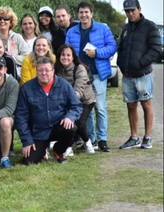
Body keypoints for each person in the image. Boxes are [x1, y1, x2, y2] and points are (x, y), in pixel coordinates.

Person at [66, 1, 117, 152]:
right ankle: (91, 139)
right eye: (81, 12)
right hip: (81, 76)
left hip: (98, 73)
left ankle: (102, 139)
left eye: (86, 12)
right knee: (86, 110)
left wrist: (97, 53)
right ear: (78, 15)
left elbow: (113, 46)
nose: (84, 15)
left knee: (100, 108)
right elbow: (67, 52)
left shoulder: (103, 28)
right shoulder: (72, 32)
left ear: (91, 13)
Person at [15, 57, 82, 165]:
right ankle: (41, 151)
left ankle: (59, 150)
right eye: (40, 70)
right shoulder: (26, 89)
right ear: (36, 71)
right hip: (39, 132)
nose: (44, 73)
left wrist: (70, 117)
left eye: (47, 70)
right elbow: (20, 116)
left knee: (70, 127)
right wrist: (27, 140)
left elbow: (77, 106)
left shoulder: (64, 85)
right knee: (29, 161)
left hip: (59, 126)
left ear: (53, 71)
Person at [117, 0, 161, 149]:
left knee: (146, 104)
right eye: (127, 11)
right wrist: (121, 64)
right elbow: (121, 48)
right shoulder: (125, 28)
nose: (130, 14)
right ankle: (134, 137)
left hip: (143, 74)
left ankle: (147, 137)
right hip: (128, 76)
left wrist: (141, 63)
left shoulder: (150, 26)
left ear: (139, 9)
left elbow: (156, 48)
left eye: (132, 10)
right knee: (130, 106)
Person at [54, 44, 95, 156]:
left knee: (79, 122)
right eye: (63, 55)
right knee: (67, 123)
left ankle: (88, 142)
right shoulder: (56, 69)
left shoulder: (80, 68)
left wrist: (68, 102)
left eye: (68, 55)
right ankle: (68, 146)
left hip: (85, 100)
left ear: (72, 57)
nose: (65, 57)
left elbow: (79, 89)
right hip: (66, 101)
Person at [0, 6, 29, 76]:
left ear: (11, 22)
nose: (2, 21)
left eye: (6, 19)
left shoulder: (17, 38)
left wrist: (10, 58)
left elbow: (26, 57)